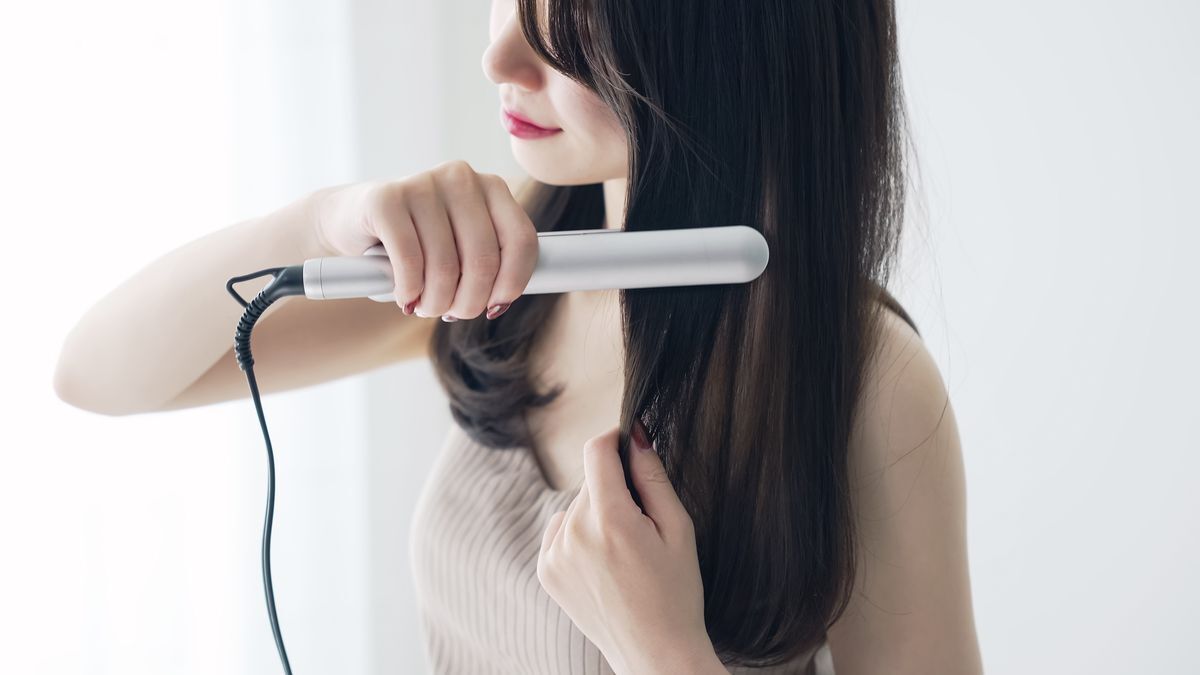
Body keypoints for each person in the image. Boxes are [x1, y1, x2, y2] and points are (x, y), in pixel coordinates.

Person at [53, 0, 983, 672]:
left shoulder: (862, 382)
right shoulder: (505, 278)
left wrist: (665, 654)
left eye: (571, 23)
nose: (500, 55)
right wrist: (319, 218)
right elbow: (96, 373)